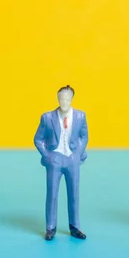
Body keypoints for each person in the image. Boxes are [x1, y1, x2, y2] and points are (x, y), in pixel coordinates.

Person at [34, 85, 88, 241]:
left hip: (72, 159)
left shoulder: (80, 116)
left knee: (74, 194)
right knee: (52, 194)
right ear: (57, 99)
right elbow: (38, 139)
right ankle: (50, 227)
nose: (64, 101)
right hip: (55, 159)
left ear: (72, 99)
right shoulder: (47, 117)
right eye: (61, 98)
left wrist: (77, 153)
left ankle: (75, 226)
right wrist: (47, 155)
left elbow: (84, 136)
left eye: (67, 98)